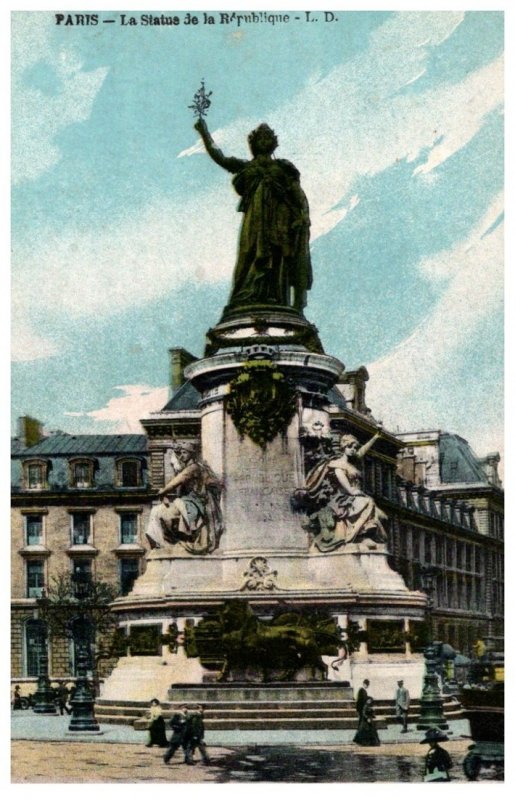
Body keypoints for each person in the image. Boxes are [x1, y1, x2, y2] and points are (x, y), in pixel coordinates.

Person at [194, 116, 312, 312]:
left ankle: (275, 298)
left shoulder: (282, 168)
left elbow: (299, 195)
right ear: (253, 143)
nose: (264, 140)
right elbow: (220, 157)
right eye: (260, 137)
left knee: (276, 259)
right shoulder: (247, 167)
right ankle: (245, 296)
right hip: (254, 222)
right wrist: (204, 133)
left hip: (278, 223)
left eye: (268, 137)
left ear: (274, 143)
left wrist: (304, 215)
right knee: (249, 255)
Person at [301, 431, 388, 551]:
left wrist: (375, 437)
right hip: (343, 497)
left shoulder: (352, 462)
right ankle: (356, 537)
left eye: (354, 447)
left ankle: (363, 535)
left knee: (383, 517)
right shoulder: (337, 464)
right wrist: (353, 491)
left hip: (356, 496)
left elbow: (362, 451)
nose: (353, 449)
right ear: (343, 448)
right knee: (368, 503)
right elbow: (345, 485)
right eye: (349, 447)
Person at [146, 442, 223, 555]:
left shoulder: (194, 467)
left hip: (195, 501)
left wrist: (163, 490)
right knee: (164, 508)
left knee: (177, 505)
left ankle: (189, 530)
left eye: (184, 453)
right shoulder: (186, 468)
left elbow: (179, 480)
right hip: (187, 500)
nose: (182, 456)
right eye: (181, 453)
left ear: (191, 454)